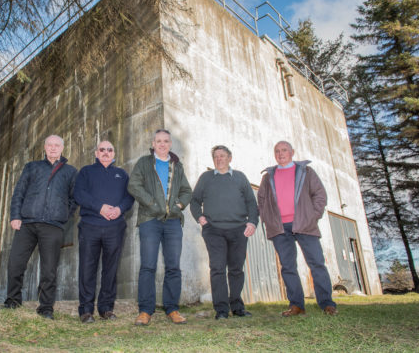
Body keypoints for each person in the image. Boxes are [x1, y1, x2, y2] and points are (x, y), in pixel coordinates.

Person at [258, 141, 338, 316]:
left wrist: (313, 216)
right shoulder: (268, 177)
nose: (281, 154)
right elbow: (262, 200)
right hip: (280, 228)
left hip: (304, 224)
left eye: (284, 150)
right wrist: (268, 219)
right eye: (277, 151)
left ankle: (327, 304)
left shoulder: (305, 171)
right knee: (287, 267)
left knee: (316, 263)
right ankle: (297, 305)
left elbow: (320, 194)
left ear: (292, 152)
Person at [1, 135, 77, 320]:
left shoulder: (70, 171)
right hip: (27, 223)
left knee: (49, 268)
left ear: (62, 148)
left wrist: (64, 215)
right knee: (15, 263)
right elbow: (19, 192)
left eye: (56, 145)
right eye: (49, 145)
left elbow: (74, 199)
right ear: (44, 147)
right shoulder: (32, 167)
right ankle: (12, 300)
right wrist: (15, 216)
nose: (53, 148)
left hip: (53, 226)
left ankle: (45, 308)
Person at [128, 129, 192, 325]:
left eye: (166, 141)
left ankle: (172, 309)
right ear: (153, 144)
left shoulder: (177, 166)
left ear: (170, 144)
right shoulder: (144, 163)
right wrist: (153, 204)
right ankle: (145, 311)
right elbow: (134, 185)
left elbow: (187, 191)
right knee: (148, 265)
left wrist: (178, 206)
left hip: (172, 221)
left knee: (173, 266)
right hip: (149, 220)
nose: (162, 144)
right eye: (158, 141)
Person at [190, 145, 259, 320]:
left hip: (238, 230)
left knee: (236, 269)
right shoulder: (206, 178)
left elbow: (251, 202)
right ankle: (221, 310)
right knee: (218, 268)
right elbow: (195, 201)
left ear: (230, 158)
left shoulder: (240, 177)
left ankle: (237, 307)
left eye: (222, 156)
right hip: (214, 231)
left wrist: (252, 222)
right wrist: (200, 217)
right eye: (216, 156)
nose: (219, 159)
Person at [73, 141, 135, 323]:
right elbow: (79, 194)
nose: (106, 153)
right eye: (102, 150)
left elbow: (130, 196)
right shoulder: (85, 172)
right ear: (96, 153)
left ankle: (106, 308)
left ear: (114, 153)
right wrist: (99, 207)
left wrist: (119, 209)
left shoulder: (122, 174)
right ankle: (86, 310)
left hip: (115, 228)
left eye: (110, 150)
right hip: (90, 226)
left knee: (110, 269)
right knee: (87, 268)